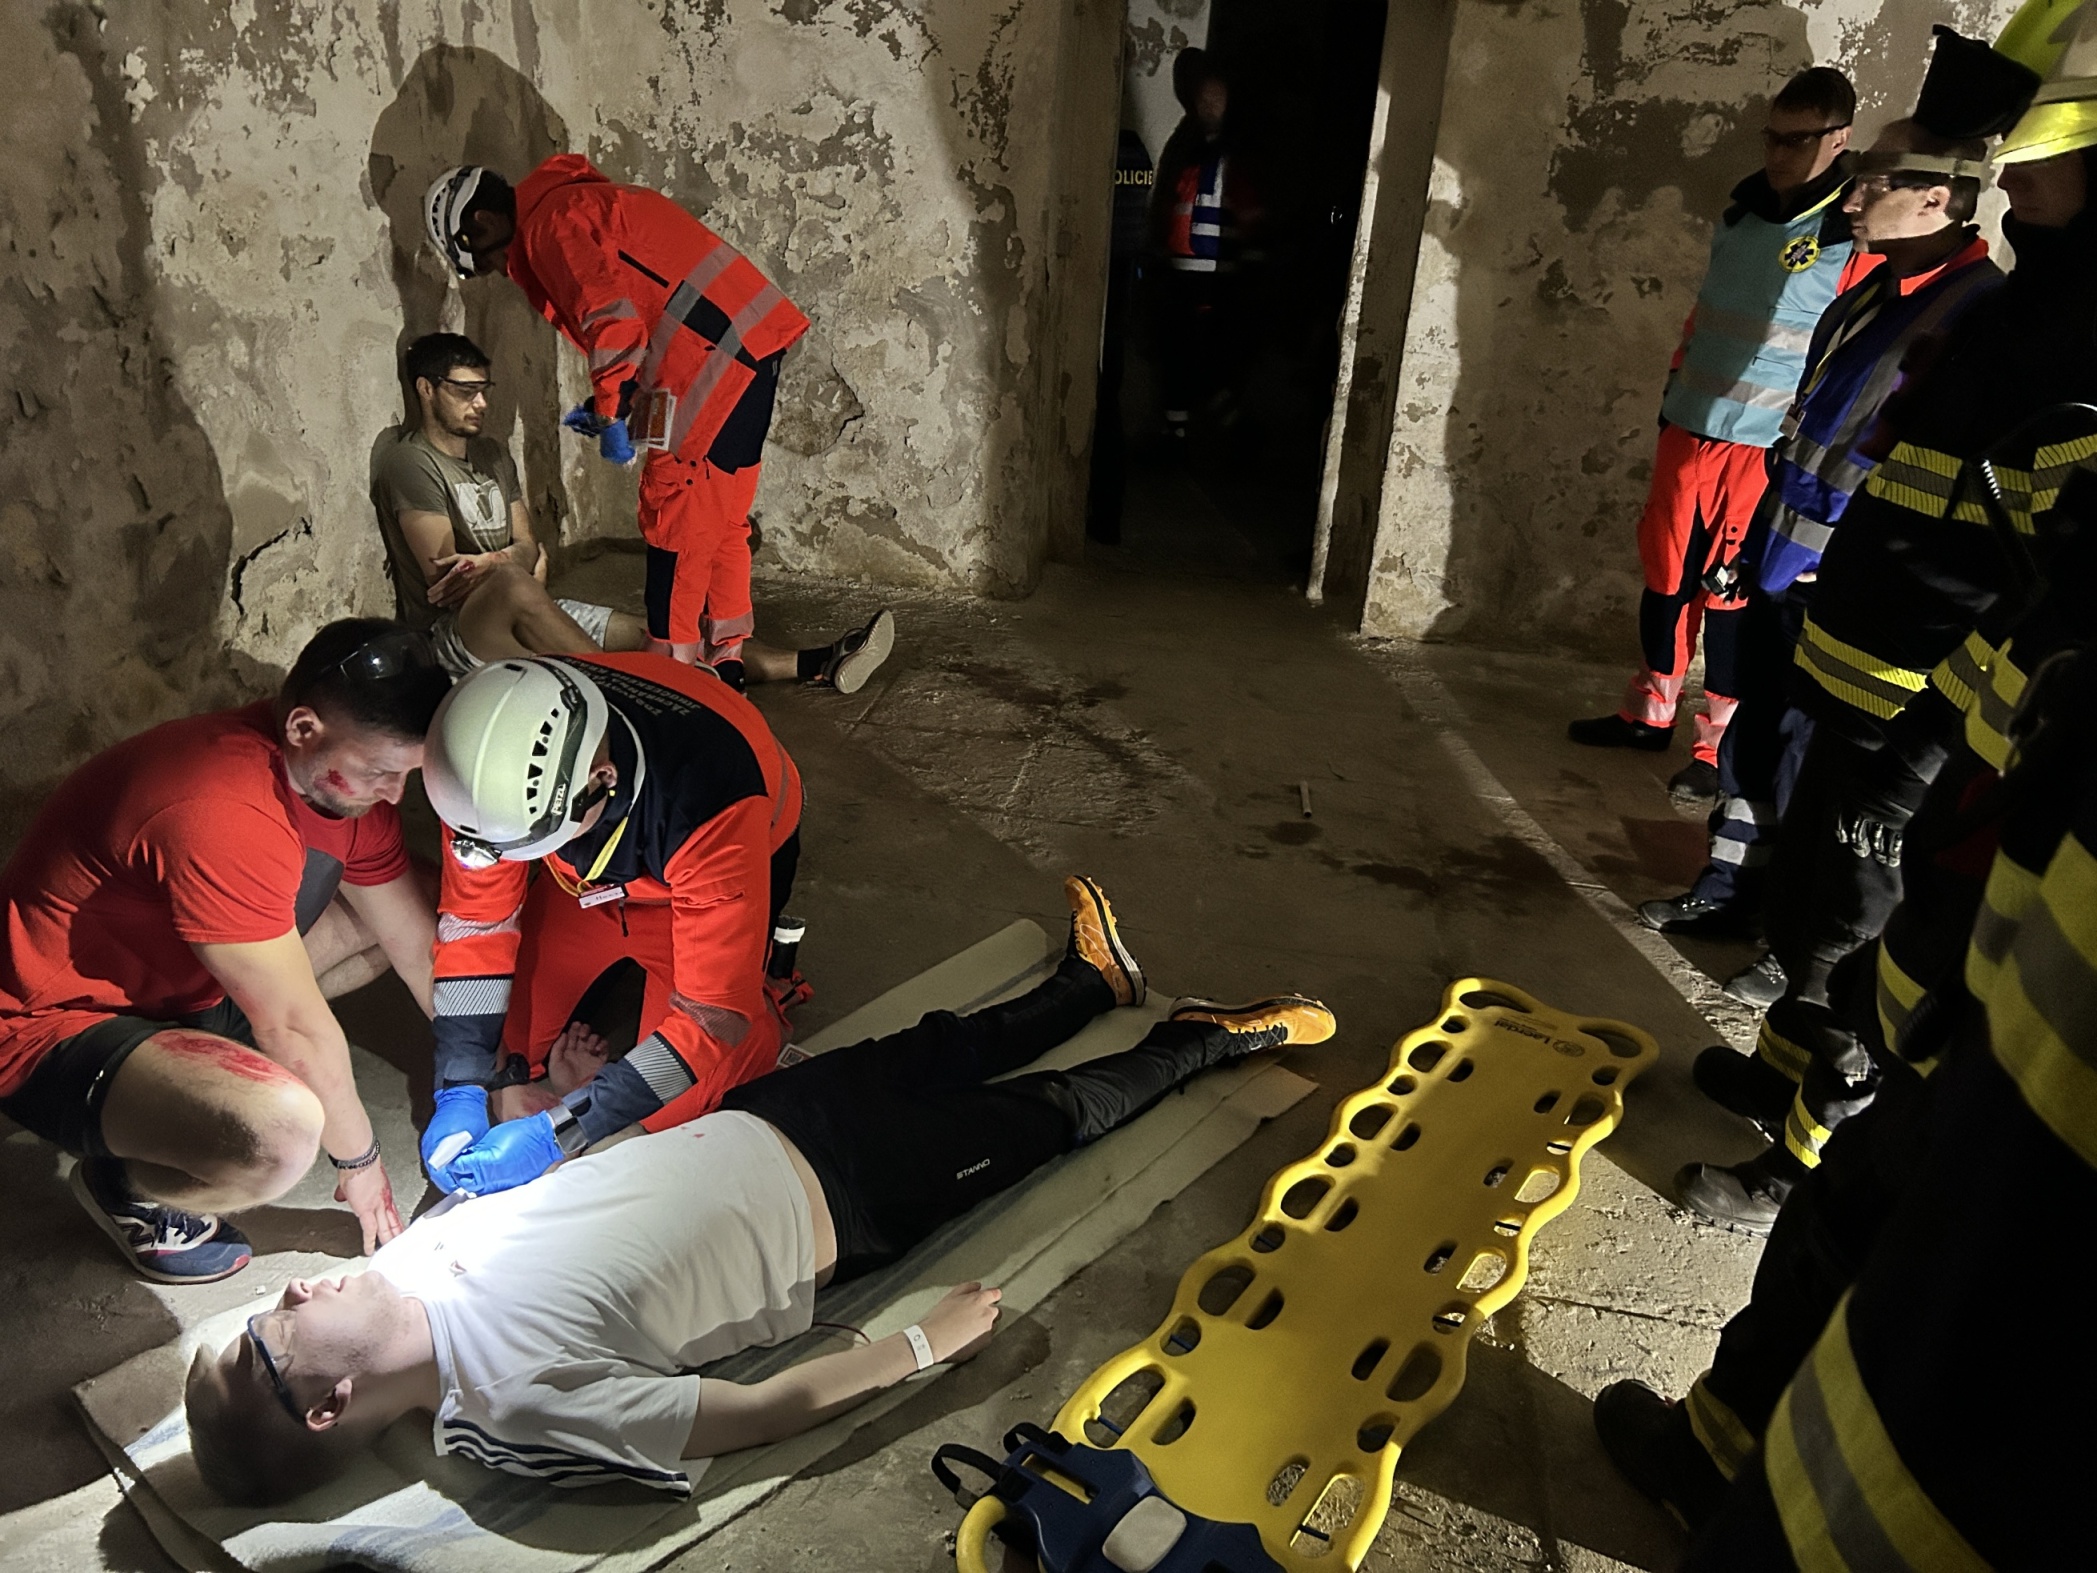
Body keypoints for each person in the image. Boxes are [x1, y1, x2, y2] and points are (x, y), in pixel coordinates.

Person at [180, 877, 1337, 1506]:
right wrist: (916, 1348)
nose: (292, 1292)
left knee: (943, 1045)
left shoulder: (400, 1269)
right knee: (1051, 1115)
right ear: (328, 1406)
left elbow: (547, 1199)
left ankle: (1092, 984)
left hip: (762, 1119)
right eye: (275, 1332)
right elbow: (747, 1415)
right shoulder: (513, 1405)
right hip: (849, 1204)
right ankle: (1202, 1040)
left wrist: (564, 1103)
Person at [1674, 40, 2097, 1233]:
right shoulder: (2027, 311)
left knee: (1868, 938)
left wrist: (1932, 738)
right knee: (1810, 904)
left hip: (1921, 691)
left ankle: (1801, 1164)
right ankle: (1775, 1080)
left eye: (2054, 151)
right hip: (1851, 651)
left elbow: (2040, 585)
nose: (2015, 171)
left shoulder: (2064, 338)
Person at [1636, 110, 2003, 947]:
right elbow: (1805, 442)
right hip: (1784, 565)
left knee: (1816, 766)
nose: (1851, 198)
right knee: (1753, 743)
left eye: (1874, 182)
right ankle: (1730, 889)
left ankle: (1790, 941)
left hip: (1854, 589)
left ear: (1936, 199)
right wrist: (1757, 546)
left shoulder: (1975, 317)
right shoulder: (1868, 298)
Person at [0, 621, 452, 1283]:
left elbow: (415, 944)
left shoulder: (338, 786)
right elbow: (295, 1029)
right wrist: (360, 1163)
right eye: (381, 771)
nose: (393, 794)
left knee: (409, 903)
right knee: (278, 1134)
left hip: (172, 989)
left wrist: (488, 1076)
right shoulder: (226, 809)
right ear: (303, 728)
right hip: (49, 1026)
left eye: (407, 772)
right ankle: (127, 1185)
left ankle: (198, 1070)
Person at [420, 158, 894, 694]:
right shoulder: (581, 202)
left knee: (675, 512)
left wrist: (609, 409)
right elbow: (650, 305)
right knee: (722, 519)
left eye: (488, 260)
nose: (502, 269)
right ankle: (728, 660)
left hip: (711, 365)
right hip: (749, 350)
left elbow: (614, 324)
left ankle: (673, 673)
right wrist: (618, 399)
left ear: (482, 222)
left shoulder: (551, 224)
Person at [1570, 67, 1867, 797]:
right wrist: (1671, 400)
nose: (1778, 153)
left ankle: (1716, 750)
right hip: (1690, 426)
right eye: (1772, 137)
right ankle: (1649, 712)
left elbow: (1846, 354)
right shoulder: (1741, 213)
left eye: (1797, 141)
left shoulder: (1850, 233)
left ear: (1839, 138)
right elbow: (1703, 318)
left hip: (1761, 448)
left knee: (1731, 594)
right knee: (1665, 575)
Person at [413, 650, 807, 1197]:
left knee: (674, 1115)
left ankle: (768, 993)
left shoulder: (710, 801)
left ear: (602, 778)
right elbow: (476, 926)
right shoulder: (488, 752)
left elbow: (711, 1018)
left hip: (707, 871)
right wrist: (461, 1082)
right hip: (588, 886)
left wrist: (569, 1128)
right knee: (509, 1051)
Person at [370, 331, 650, 675]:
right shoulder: (412, 463)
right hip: (454, 631)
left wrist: (494, 562)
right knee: (513, 585)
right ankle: (612, 690)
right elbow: (447, 583)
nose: (481, 403)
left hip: (522, 602)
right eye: (466, 391)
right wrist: (515, 571)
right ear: (426, 389)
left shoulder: (494, 455)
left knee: (648, 637)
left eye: (483, 390)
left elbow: (529, 545)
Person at [1149, 49, 1258, 442]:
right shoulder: (1184, 144)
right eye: (1203, 97)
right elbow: (1166, 199)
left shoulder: (1241, 148)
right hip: (1180, 271)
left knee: (1214, 357)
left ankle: (1232, 430)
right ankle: (1177, 432)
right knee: (1177, 353)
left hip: (1221, 274)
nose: (1210, 105)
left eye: (1217, 97)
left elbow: (1251, 209)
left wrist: (1247, 260)